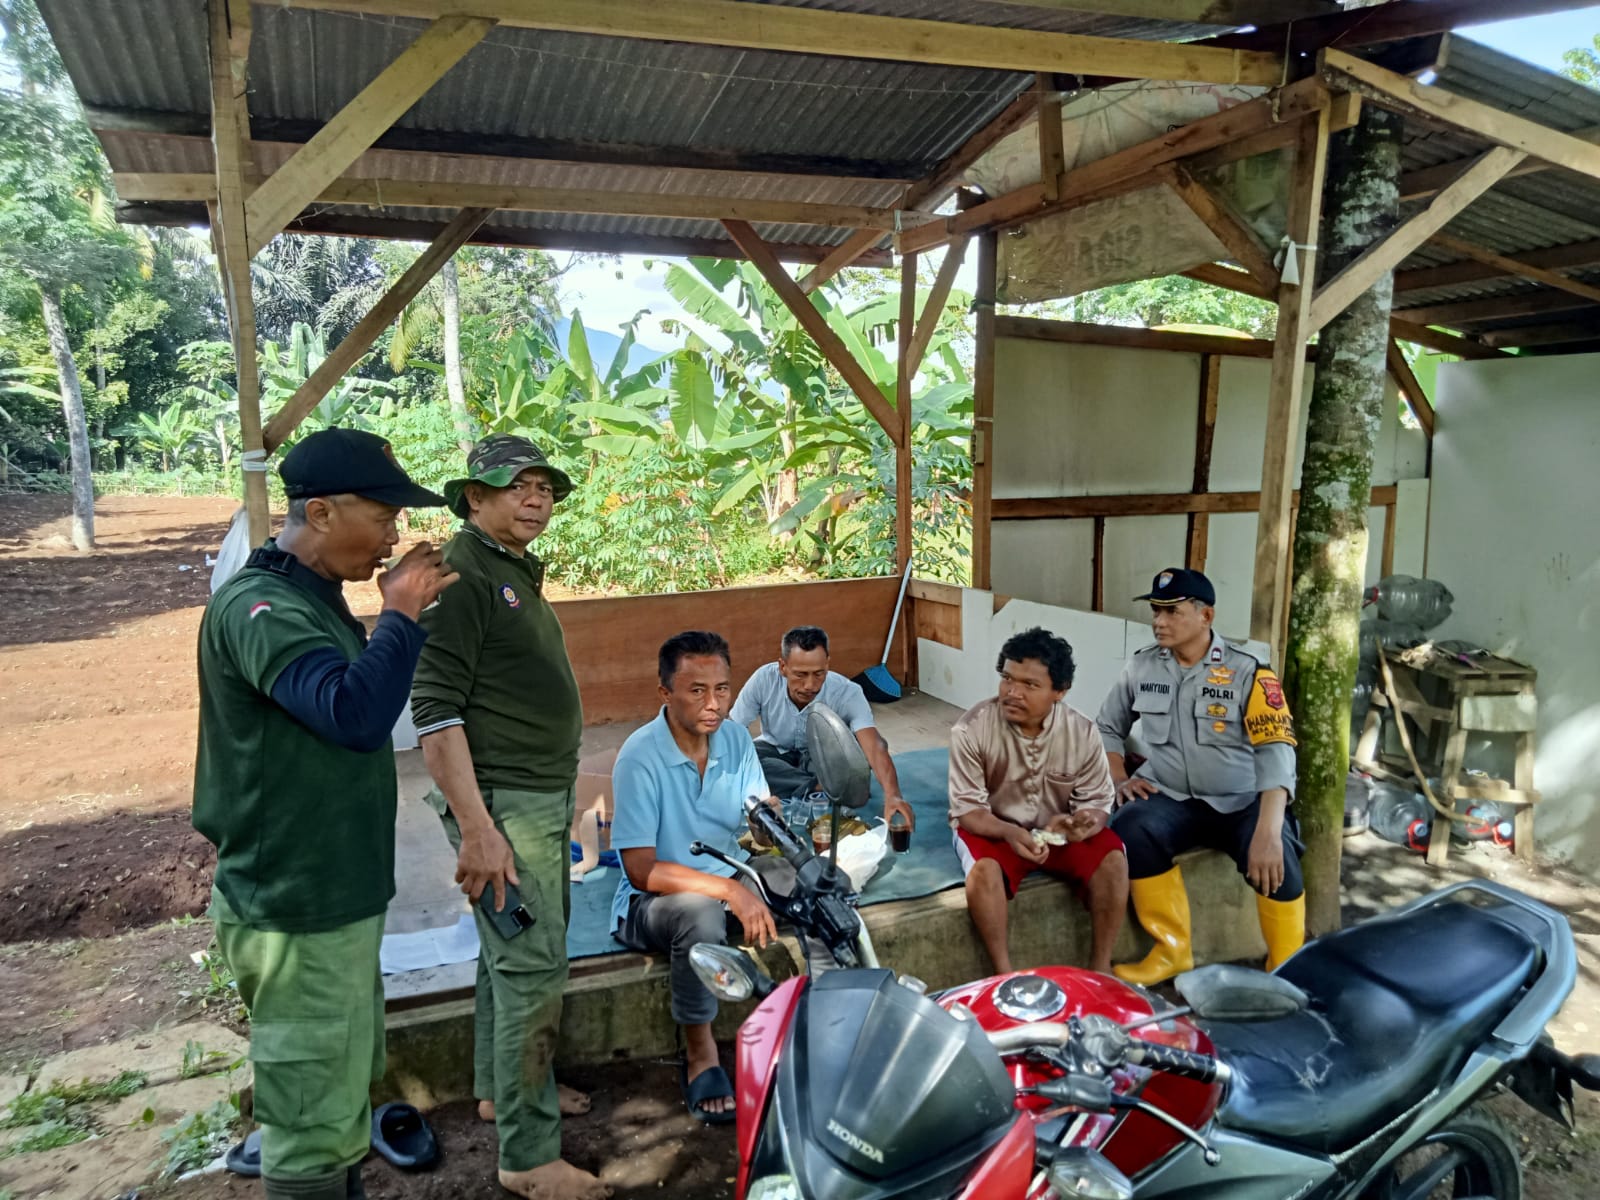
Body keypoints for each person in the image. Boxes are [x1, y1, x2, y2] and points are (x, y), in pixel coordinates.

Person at [192, 428, 457, 1200]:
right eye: (383, 517)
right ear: (320, 512)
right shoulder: (262, 607)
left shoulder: (313, 599)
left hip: (331, 903)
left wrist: (398, 620)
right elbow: (352, 715)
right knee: (309, 1127)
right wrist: (399, 614)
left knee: (336, 1104)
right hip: (293, 912)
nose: (393, 538)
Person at [410, 435, 609, 1200]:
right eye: (517, 486)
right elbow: (435, 712)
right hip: (503, 811)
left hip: (533, 802)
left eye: (544, 488)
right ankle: (528, 1155)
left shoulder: (508, 568)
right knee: (531, 964)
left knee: (510, 951)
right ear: (475, 497)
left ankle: (504, 1091)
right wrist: (479, 828)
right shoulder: (463, 577)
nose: (535, 499)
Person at [1098, 568, 1304, 986]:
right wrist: (1119, 778)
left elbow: (1276, 749)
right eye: (1156, 611)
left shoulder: (1248, 671)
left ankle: (1287, 971)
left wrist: (1268, 830)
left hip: (1241, 800)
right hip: (1171, 796)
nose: (1159, 621)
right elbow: (1107, 726)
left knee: (1277, 854)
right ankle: (1172, 951)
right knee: (1129, 829)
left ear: (1205, 615)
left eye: (1171, 612)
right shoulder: (1141, 666)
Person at [609, 631, 781, 1125]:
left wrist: (767, 823)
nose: (714, 704)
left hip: (731, 876)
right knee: (701, 914)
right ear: (665, 694)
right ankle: (701, 1052)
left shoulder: (735, 739)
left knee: (810, 881)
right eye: (697, 691)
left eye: (722, 689)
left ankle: (818, 1016)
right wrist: (729, 889)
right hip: (654, 900)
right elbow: (641, 870)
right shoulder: (640, 758)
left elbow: (756, 821)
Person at [948, 626, 1129, 975]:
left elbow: (1096, 802)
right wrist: (1009, 832)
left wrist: (1081, 825)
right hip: (996, 829)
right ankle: (1004, 975)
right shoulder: (971, 729)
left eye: (1030, 685)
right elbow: (968, 810)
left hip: (1058, 834)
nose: (1012, 693)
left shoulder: (1083, 732)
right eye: (1007, 679)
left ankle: (1101, 968)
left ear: (1060, 691)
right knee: (983, 872)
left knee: (1112, 857)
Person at [729, 624, 915, 833]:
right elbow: (734, 731)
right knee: (741, 758)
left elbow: (874, 745)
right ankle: (820, 788)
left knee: (859, 753)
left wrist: (893, 795)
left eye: (818, 673)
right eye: (800, 674)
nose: (810, 685)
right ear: (783, 667)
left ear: (827, 665)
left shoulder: (847, 691)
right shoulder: (763, 680)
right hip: (774, 751)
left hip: (822, 757)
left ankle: (798, 787)